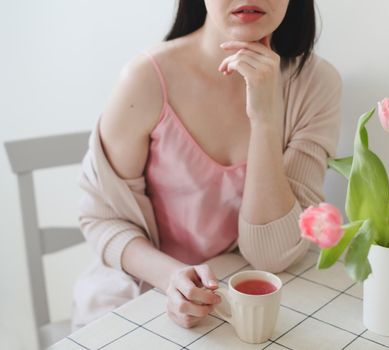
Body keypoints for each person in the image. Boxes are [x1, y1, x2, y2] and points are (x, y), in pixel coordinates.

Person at [72, 0, 342, 330]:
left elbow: (273, 255)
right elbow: (101, 219)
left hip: (235, 296)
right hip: (135, 291)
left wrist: (265, 118)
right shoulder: (146, 78)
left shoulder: (315, 85)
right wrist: (172, 277)